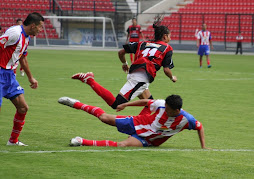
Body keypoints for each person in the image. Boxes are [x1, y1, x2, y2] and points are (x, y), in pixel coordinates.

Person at [72, 23, 177, 115]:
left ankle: (138, 131)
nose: (170, 39)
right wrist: (172, 78)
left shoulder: (143, 43)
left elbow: (121, 52)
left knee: (150, 105)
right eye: (170, 36)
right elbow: (166, 69)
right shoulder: (167, 48)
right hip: (140, 79)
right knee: (116, 104)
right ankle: (89, 80)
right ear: (165, 36)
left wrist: (124, 63)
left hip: (136, 73)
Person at [58, 95, 208, 149]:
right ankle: (77, 104)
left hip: (148, 140)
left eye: (168, 109)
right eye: (165, 107)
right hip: (138, 123)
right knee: (104, 118)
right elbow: (146, 101)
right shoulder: (162, 104)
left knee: (122, 145)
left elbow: (200, 127)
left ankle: (81, 141)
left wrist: (203, 147)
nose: (165, 110)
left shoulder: (186, 119)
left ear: (177, 110)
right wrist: (125, 104)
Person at [0, 12, 44, 146]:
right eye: (40, 27)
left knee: (23, 108)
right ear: (32, 25)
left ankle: (13, 141)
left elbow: (23, 58)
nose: (40, 30)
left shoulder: (27, 38)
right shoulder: (15, 33)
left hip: (9, 76)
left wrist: (31, 78)